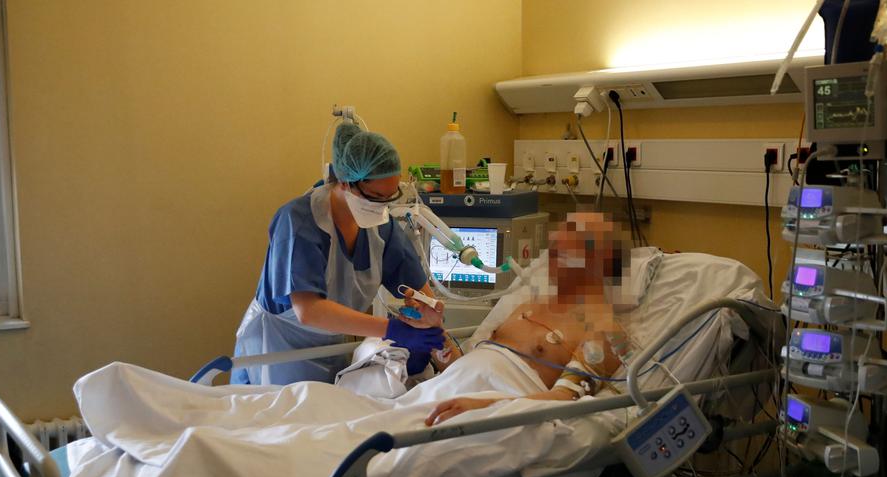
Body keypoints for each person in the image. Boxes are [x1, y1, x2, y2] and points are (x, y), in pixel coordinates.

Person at [232, 123, 445, 385]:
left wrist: (432, 318)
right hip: (278, 348)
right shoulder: (299, 221)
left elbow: (420, 292)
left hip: (331, 345)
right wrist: (391, 329)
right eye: (376, 196)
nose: (383, 207)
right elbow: (309, 311)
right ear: (345, 182)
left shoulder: (382, 228)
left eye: (391, 196)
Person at [417, 212, 631, 425]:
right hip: (441, 395)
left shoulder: (603, 330)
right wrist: (434, 330)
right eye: (562, 233)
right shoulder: (528, 306)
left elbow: (565, 400)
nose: (557, 240)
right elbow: (458, 368)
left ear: (604, 258)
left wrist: (484, 407)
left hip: (494, 414)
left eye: (575, 237)